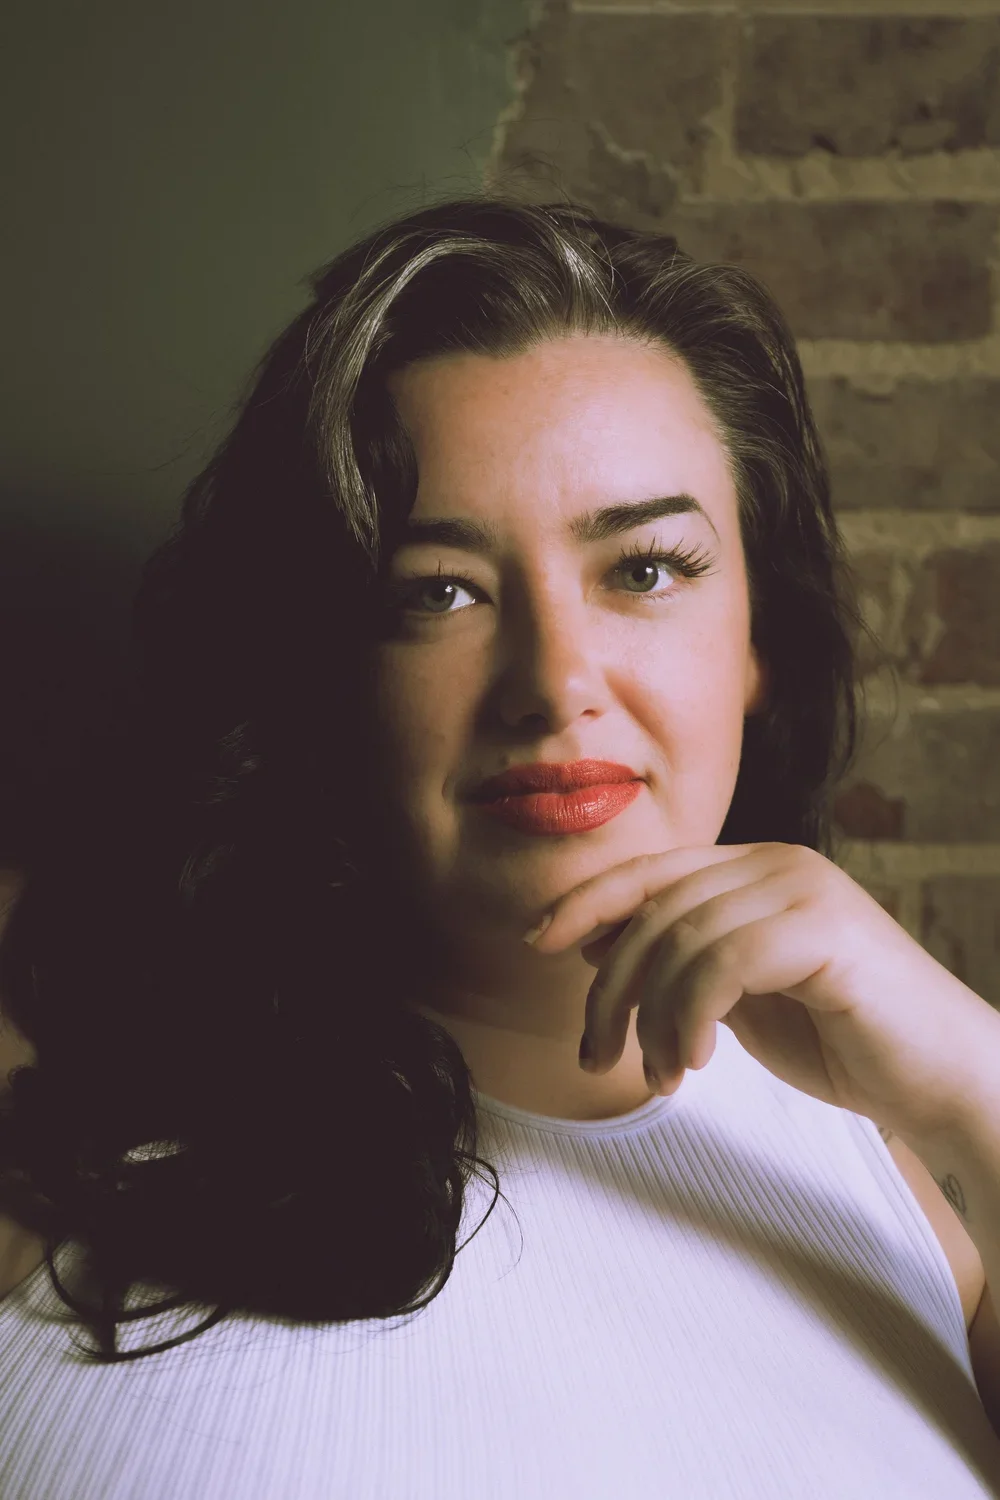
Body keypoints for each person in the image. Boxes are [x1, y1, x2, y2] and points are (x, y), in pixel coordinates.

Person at [1, 197, 999, 1498]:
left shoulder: (891, 1174)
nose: (556, 680)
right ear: (318, 673)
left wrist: (986, 1091)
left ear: (758, 644)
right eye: (440, 591)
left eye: (644, 569)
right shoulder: (61, 1112)